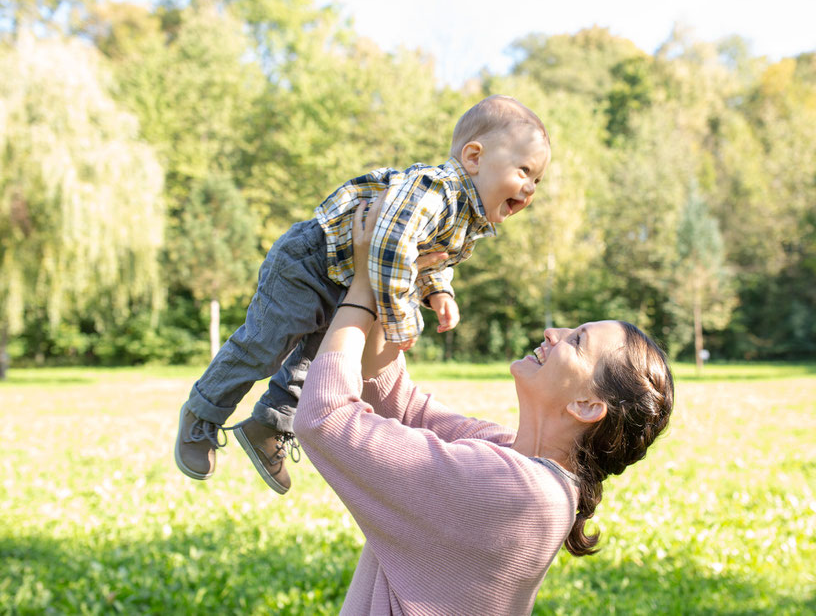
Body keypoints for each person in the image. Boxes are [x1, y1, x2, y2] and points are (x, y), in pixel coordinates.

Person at [293, 198, 675, 614]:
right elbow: (397, 402)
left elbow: (325, 418)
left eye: (577, 341)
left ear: (586, 405)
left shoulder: (511, 490)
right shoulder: (515, 460)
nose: (552, 333)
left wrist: (363, 292)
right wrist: (394, 279)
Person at [175, 95, 551, 494]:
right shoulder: (435, 188)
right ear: (474, 157)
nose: (530, 188)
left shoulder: (466, 216)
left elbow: (430, 257)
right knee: (264, 347)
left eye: (538, 180)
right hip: (312, 262)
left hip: (347, 278)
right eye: (524, 171)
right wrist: (398, 316)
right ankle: (201, 414)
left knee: (322, 363)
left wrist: (439, 291)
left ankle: (269, 425)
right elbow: (391, 244)